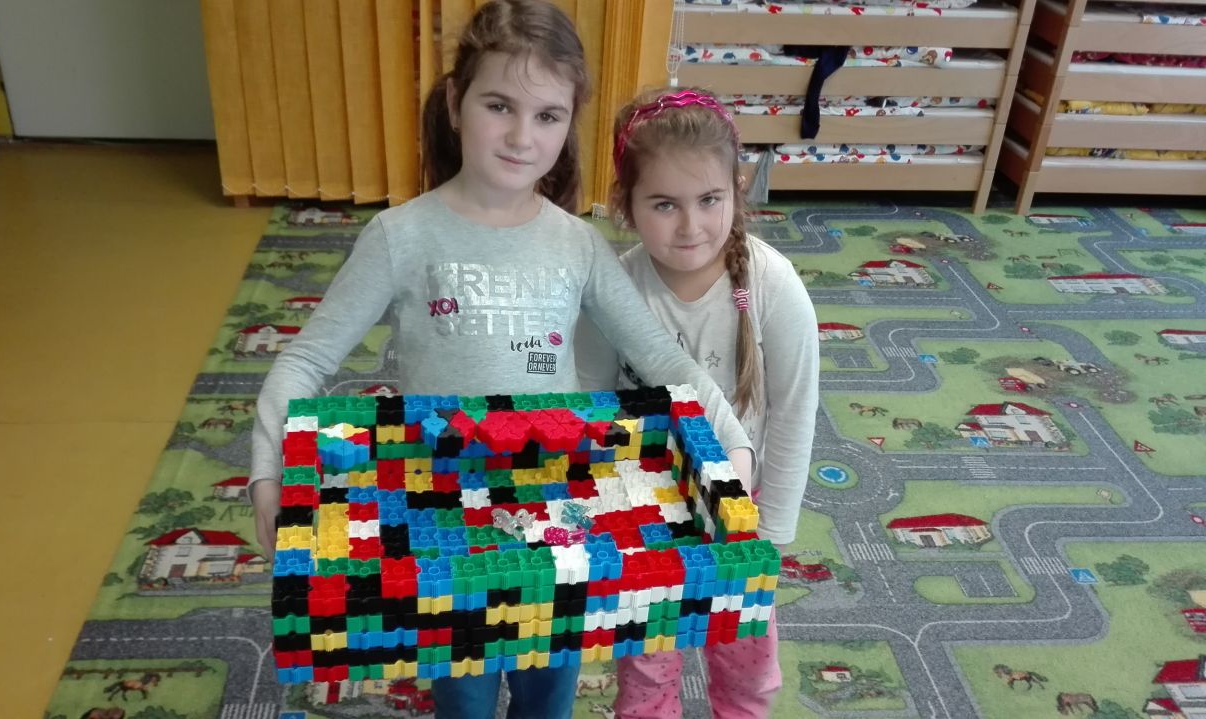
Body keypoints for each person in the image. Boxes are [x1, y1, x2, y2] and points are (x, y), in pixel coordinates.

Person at [248, 3, 754, 717]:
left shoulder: (577, 244)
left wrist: (732, 440)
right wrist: (268, 472)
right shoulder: (400, 236)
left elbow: (661, 358)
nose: (522, 136)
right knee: (464, 696)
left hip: (557, 519)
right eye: (499, 106)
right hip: (443, 522)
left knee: (550, 694)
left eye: (548, 116)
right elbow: (304, 361)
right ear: (457, 101)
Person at [576, 87, 820, 719]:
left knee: (745, 660)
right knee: (646, 664)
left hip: (742, 511)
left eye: (709, 199)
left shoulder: (771, 284)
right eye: (664, 204)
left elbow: (794, 411)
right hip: (645, 510)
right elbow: (590, 407)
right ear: (626, 204)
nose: (690, 226)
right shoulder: (615, 288)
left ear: (736, 192)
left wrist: (772, 530)